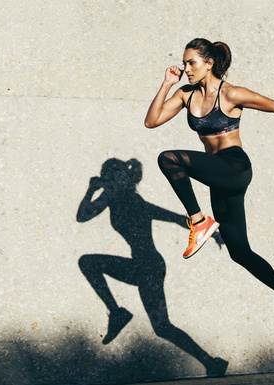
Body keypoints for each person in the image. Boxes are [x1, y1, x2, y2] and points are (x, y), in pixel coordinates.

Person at [143, 38, 274, 336]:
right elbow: (152, 122)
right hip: (217, 176)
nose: (186, 68)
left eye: (191, 62)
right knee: (239, 251)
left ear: (209, 63)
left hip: (234, 167)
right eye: (184, 63)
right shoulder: (185, 95)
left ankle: (198, 221)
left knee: (169, 159)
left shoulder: (231, 94)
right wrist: (166, 84)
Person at [77, 159, 228, 375]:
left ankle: (117, 313)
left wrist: (211, 232)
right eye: (105, 177)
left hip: (148, 267)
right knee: (162, 327)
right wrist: (91, 190)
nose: (108, 181)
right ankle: (211, 363)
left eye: (111, 177)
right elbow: (82, 217)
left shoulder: (132, 200)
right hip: (142, 266)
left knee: (89, 263)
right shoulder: (111, 199)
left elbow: (175, 218)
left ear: (120, 180)